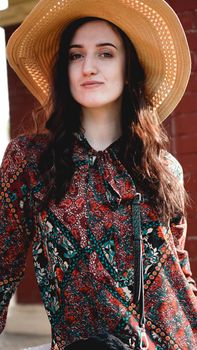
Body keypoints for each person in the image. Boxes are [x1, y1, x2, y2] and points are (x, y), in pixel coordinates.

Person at [0, 0, 197, 349]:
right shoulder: (30, 161)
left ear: (128, 68)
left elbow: (180, 272)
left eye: (105, 54)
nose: (88, 66)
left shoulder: (163, 167)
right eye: (76, 56)